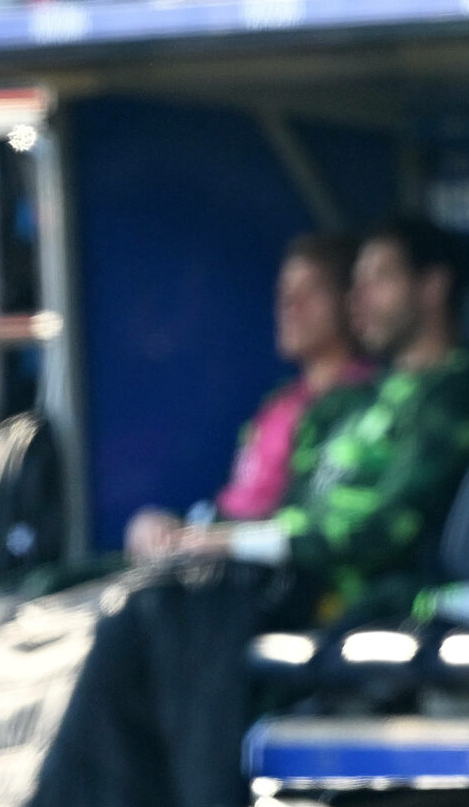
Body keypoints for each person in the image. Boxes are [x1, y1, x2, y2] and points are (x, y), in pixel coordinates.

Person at [0, 218, 469, 807]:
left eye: (377, 279)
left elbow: (372, 531)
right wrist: (197, 535)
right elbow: (284, 511)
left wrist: (231, 540)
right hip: (266, 587)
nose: (360, 299)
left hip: (350, 600)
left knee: (165, 614)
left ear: (434, 286)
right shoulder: (355, 404)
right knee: (93, 598)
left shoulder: (456, 397)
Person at [125, 232, 376, 561]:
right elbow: (235, 503)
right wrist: (163, 527)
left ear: (349, 301)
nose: (290, 306)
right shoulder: (281, 401)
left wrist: (195, 540)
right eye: (284, 293)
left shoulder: (362, 403)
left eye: (311, 291)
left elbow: (308, 523)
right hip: (210, 546)